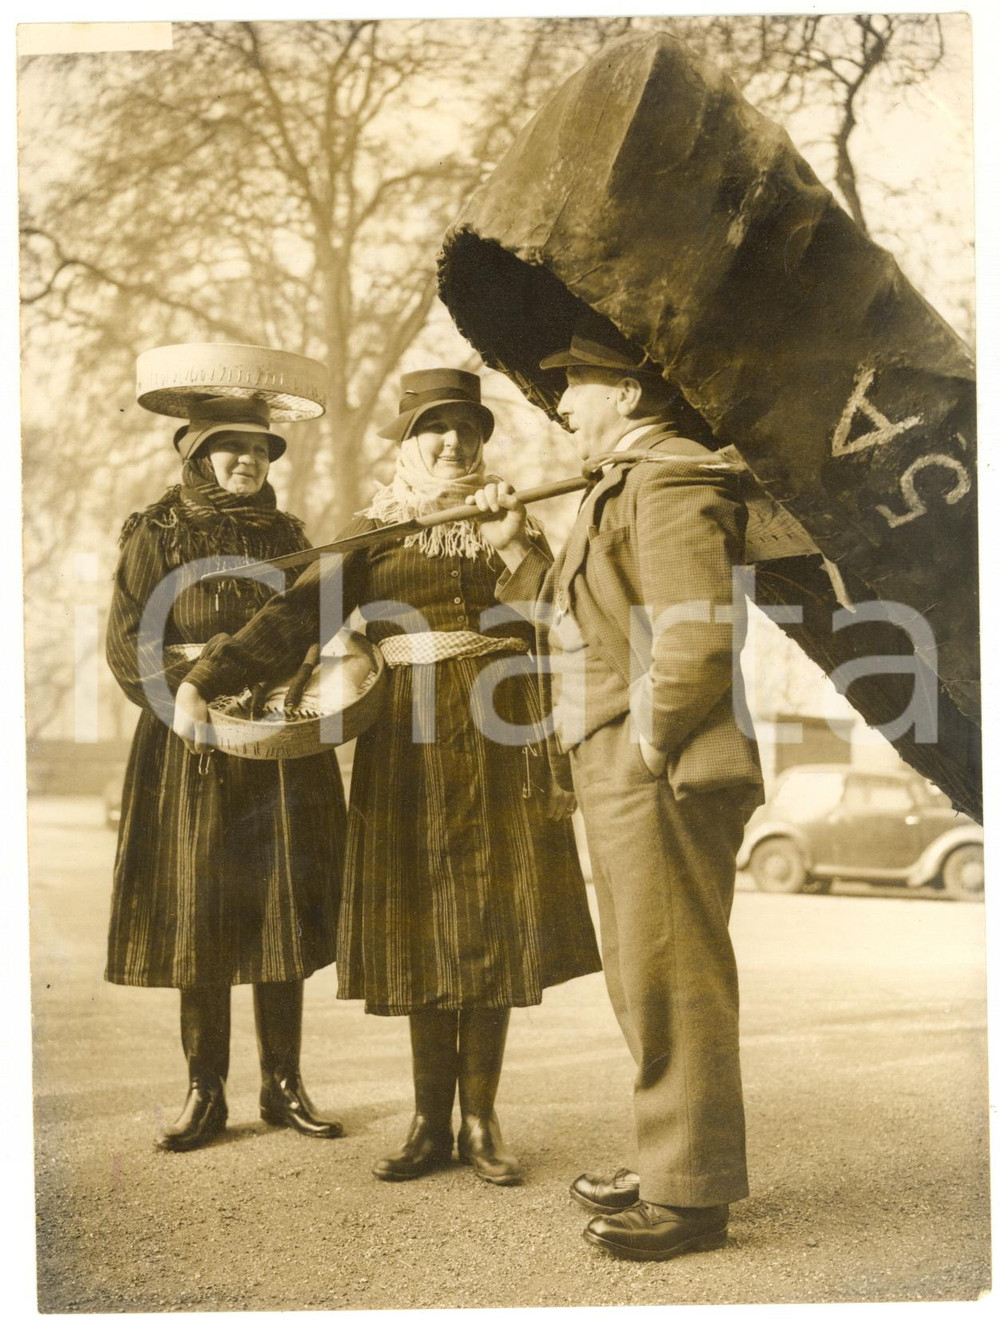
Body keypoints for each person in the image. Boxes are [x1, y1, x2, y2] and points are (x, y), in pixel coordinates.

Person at [173, 369, 601, 1185]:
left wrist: (513, 543)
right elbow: (295, 615)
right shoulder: (372, 533)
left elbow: (551, 618)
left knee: (491, 924)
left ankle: (480, 1121)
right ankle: (427, 1124)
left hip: (500, 740)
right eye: (434, 429)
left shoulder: (515, 521)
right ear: (407, 442)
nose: (452, 443)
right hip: (404, 747)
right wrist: (207, 677)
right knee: (422, 929)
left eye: (467, 430)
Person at [469, 308, 765, 1260]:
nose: (561, 407)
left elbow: (697, 635)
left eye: (575, 388)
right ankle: (672, 1156)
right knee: (648, 972)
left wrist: (645, 745)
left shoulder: (672, 476)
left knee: (671, 974)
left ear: (628, 393)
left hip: (659, 767)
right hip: (622, 759)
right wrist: (519, 547)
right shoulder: (621, 484)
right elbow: (575, 624)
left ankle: (690, 1198)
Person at [106, 396, 346, 1152]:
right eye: (230, 446)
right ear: (196, 452)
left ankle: (283, 1085)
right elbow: (127, 641)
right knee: (200, 908)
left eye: (261, 447)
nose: (248, 459)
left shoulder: (290, 537)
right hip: (191, 743)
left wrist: (291, 692)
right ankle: (204, 1090)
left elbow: (309, 631)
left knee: (282, 902)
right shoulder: (159, 530)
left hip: (278, 741)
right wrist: (187, 712)